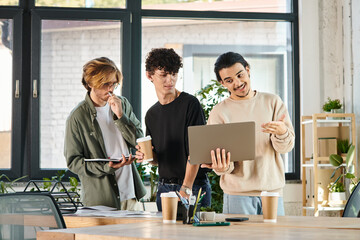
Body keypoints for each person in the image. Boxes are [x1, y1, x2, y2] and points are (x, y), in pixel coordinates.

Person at [201, 52, 295, 215]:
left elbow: (285, 147)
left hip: (271, 193)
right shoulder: (219, 112)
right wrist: (221, 166)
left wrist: (282, 132)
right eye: (229, 80)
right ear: (222, 83)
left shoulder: (273, 102)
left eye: (240, 75)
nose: (237, 83)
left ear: (248, 70)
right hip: (237, 195)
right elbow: (222, 163)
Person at [64, 57, 146, 210]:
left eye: (114, 83)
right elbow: (73, 162)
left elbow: (138, 141)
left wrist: (121, 116)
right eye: (105, 84)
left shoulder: (123, 104)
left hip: (131, 195)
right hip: (101, 202)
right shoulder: (77, 117)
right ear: (90, 84)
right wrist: (106, 167)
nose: (110, 89)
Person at [136, 48, 211, 211]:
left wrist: (186, 188)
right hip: (164, 188)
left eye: (174, 74)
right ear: (149, 76)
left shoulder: (191, 104)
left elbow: (196, 153)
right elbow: (157, 161)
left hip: (193, 186)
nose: (170, 80)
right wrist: (146, 155)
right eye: (163, 75)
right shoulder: (151, 114)